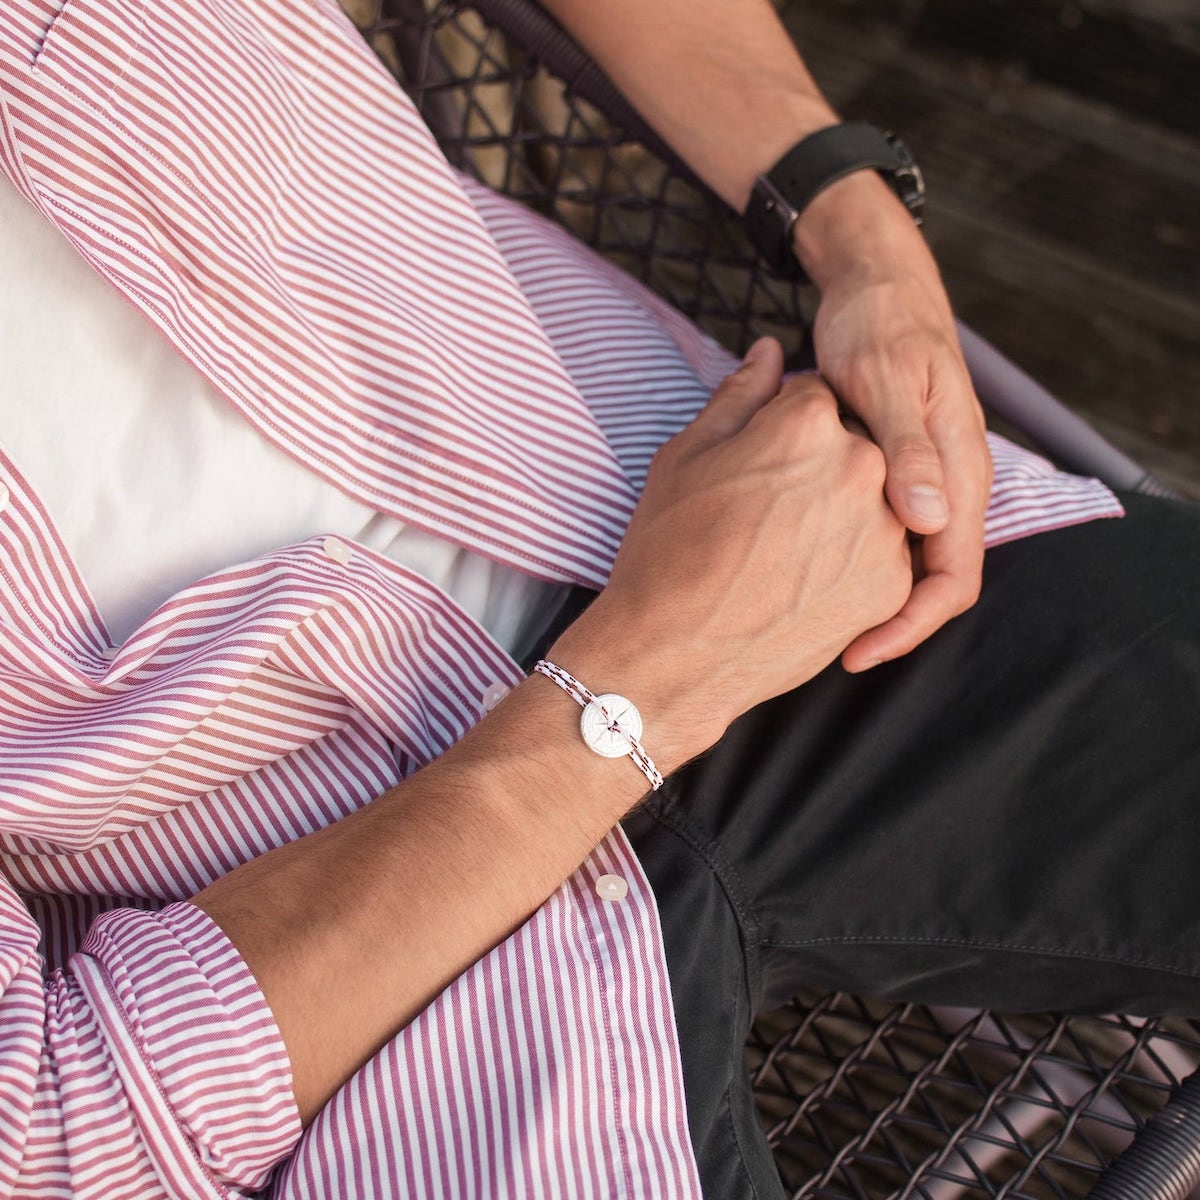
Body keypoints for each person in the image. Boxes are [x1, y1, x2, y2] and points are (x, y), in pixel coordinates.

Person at [0, 0, 1196, 1196]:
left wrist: (856, 225)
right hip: (361, 958)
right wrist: (648, 673)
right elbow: (54, 1131)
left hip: (696, 479)